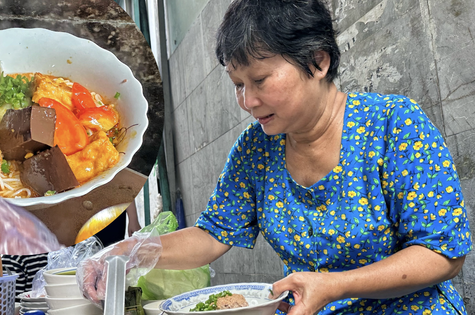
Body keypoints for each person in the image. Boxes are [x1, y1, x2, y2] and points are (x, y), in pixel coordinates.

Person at [79, 1, 471, 314]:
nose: (247, 102)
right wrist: (128, 251)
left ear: (318, 62)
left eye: (260, 81)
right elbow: (211, 235)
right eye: (238, 86)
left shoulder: (393, 125)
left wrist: (335, 286)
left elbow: (442, 254)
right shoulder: (256, 149)